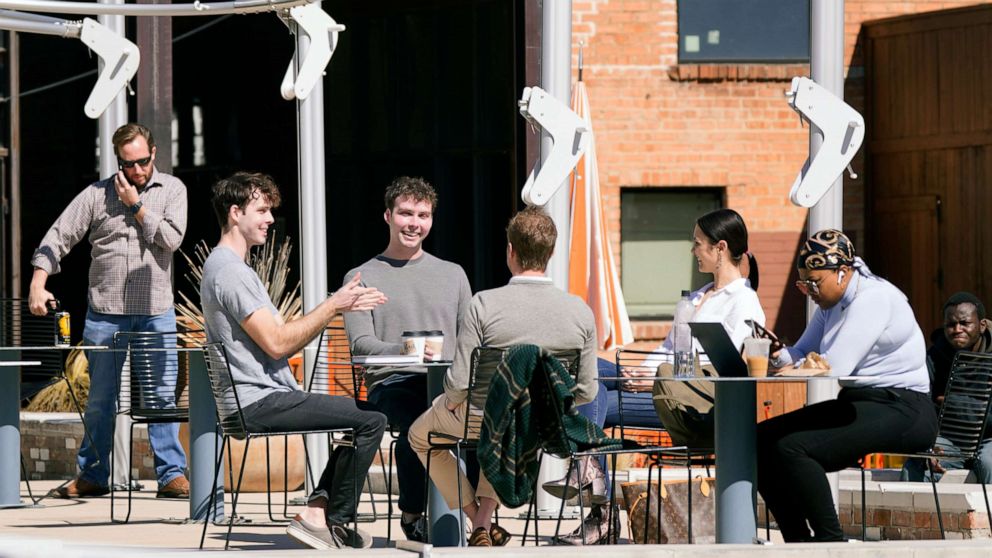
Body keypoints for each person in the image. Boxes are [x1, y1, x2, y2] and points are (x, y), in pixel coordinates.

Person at [546, 207, 766, 544]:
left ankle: (594, 499)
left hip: (695, 403)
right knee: (587, 368)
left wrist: (651, 377)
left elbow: (724, 364)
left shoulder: (745, 302)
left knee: (593, 397)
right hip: (664, 387)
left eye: (697, 244)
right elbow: (668, 352)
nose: (692, 251)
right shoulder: (693, 299)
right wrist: (642, 371)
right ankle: (591, 482)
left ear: (720, 248)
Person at [200, 172, 388, 549]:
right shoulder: (230, 272)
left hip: (259, 397)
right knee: (372, 420)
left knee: (365, 418)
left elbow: (279, 337)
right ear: (235, 213)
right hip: (257, 401)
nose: (270, 219)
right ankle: (326, 519)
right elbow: (277, 343)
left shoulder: (232, 269)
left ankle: (318, 509)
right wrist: (335, 304)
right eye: (262, 210)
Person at [407, 207, 597, 546]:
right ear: (551, 253)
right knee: (509, 428)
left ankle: (474, 515)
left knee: (419, 437)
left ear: (510, 251)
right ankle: (483, 521)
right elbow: (586, 391)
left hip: (479, 417)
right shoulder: (580, 312)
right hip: (537, 425)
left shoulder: (484, 304)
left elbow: (461, 382)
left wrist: (450, 402)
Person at [30, 123, 190, 499]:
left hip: (155, 312)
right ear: (118, 160)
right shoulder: (96, 195)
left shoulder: (173, 190)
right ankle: (94, 475)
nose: (136, 171)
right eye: (128, 164)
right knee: (101, 398)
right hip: (106, 314)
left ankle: (170, 475)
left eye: (142, 162)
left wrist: (136, 205)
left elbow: (171, 240)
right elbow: (59, 235)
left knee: (160, 397)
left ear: (154, 153)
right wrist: (38, 281)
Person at [758, 229, 938, 542]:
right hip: (863, 402)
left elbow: (834, 366)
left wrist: (793, 368)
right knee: (760, 439)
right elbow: (800, 352)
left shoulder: (872, 298)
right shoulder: (831, 304)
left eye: (815, 282)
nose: (810, 291)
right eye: (804, 284)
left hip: (906, 408)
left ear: (842, 273)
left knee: (792, 447)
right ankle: (798, 541)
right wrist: (774, 354)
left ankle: (831, 541)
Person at [343, 176, 472, 542]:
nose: (414, 222)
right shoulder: (360, 277)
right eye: (405, 213)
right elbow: (361, 345)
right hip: (393, 383)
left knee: (484, 421)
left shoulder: (453, 274)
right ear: (387, 216)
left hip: (450, 385)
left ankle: (477, 516)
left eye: (423, 214)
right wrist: (407, 351)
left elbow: (468, 338)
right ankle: (414, 514)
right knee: (421, 425)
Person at [901, 292, 992, 483]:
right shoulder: (935, 356)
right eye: (951, 325)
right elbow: (920, 403)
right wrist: (928, 442)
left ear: (982, 325)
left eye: (964, 323)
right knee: (917, 463)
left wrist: (950, 403)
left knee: (989, 463)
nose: (957, 329)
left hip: (989, 439)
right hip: (950, 440)